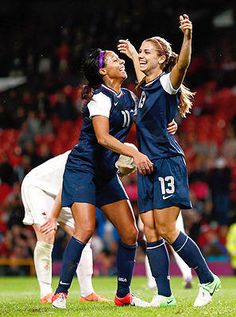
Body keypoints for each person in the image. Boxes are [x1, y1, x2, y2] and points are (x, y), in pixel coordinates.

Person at [118, 14, 221, 307]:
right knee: (148, 227)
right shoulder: (145, 87)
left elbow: (182, 66)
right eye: (141, 52)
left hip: (166, 162)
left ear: (162, 59)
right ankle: (164, 295)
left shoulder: (166, 82)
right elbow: (143, 80)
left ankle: (208, 279)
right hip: (148, 166)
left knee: (166, 229)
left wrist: (187, 37)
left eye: (147, 52)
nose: (142, 56)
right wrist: (132, 54)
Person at [51, 48, 154, 309]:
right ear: (102, 71)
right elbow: (103, 138)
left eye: (120, 59)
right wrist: (133, 152)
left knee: (130, 233)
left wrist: (167, 126)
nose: (121, 62)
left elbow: (146, 118)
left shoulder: (129, 96)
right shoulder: (99, 98)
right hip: (82, 169)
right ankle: (60, 293)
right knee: (84, 229)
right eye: (114, 60)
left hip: (106, 172)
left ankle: (123, 295)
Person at [21, 151, 108, 304]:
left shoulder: (104, 157)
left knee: (83, 234)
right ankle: (46, 293)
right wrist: (53, 216)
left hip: (63, 191)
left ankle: (87, 293)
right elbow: (66, 186)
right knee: (47, 233)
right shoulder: (89, 156)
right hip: (39, 187)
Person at [144, 212, 193, 291]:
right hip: (171, 206)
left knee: (153, 245)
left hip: (155, 209)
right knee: (178, 245)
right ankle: (187, 276)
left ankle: (152, 282)